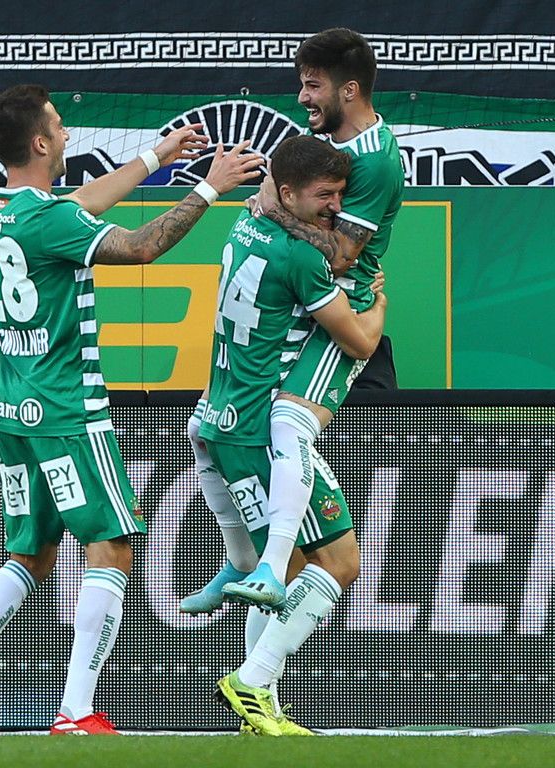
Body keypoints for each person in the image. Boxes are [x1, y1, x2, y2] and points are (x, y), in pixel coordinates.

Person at [0, 83, 262, 736]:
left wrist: (156, 157)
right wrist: (210, 187)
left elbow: (78, 207)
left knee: (31, 555)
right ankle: (76, 711)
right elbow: (139, 247)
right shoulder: (49, 221)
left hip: (14, 407)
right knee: (110, 548)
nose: (68, 133)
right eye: (59, 124)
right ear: (40, 141)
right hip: (69, 411)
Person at [182, 27, 404, 615]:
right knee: (203, 424)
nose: (302, 97)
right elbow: (279, 205)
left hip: (339, 304)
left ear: (349, 89)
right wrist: (272, 204)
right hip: (298, 300)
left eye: (312, 85)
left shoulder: (376, 161)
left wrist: (275, 210)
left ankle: (274, 566)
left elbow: (342, 255)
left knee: (288, 424)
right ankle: (242, 559)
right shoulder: (320, 145)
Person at [197, 135, 387, 736]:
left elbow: (273, 199)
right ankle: (253, 681)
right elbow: (360, 342)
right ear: (287, 192)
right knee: (340, 563)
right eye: (325, 195)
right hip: (263, 428)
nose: (336, 207)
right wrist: (380, 304)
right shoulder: (303, 258)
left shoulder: (246, 225)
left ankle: (261, 710)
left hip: (224, 419)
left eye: (340, 194)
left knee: (286, 567)